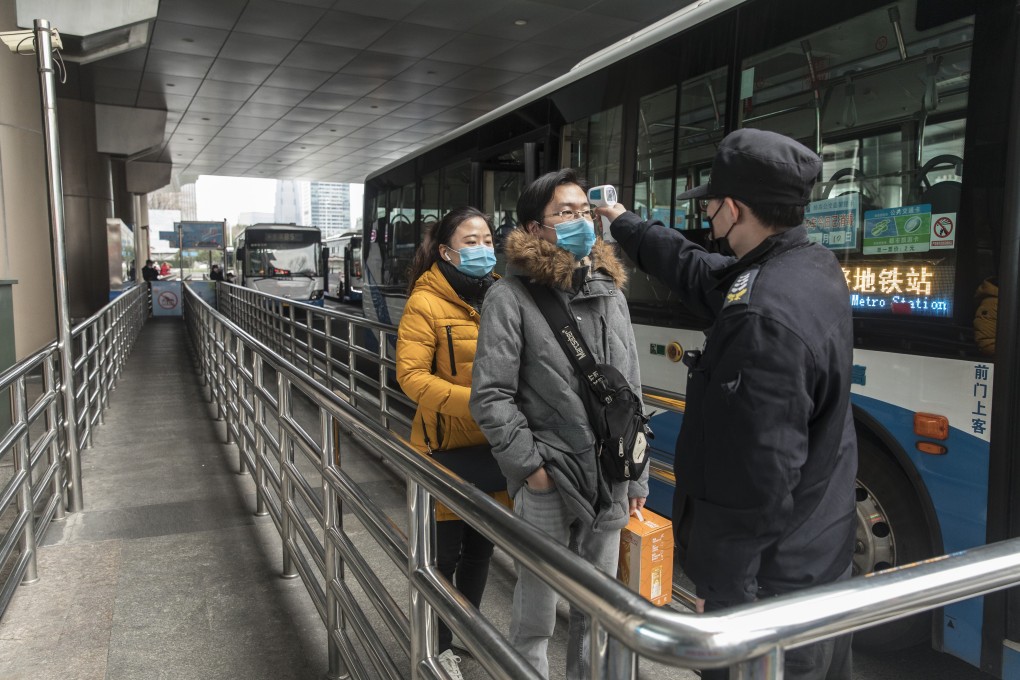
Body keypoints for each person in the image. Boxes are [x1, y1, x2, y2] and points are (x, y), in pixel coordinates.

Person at [600, 128, 857, 680]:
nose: (708, 218)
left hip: (771, 600)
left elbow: (757, 475)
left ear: (733, 209)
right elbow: (699, 271)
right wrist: (625, 224)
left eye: (711, 205)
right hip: (817, 564)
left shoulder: (761, 316)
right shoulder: (808, 267)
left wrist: (729, 595)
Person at [469, 169, 648, 680]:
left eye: (585, 213)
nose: (581, 222)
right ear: (535, 227)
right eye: (565, 214)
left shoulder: (611, 289)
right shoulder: (510, 296)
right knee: (537, 612)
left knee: (598, 609)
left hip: (610, 474)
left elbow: (629, 388)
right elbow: (492, 394)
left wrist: (637, 475)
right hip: (549, 477)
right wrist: (531, 467)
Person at [395, 206, 506, 680]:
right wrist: (478, 403)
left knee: (482, 550)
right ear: (446, 251)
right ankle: (437, 648)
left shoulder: (501, 295)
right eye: (471, 241)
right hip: (445, 451)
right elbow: (411, 377)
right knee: (442, 558)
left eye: (487, 240)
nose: (483, 249)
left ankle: (469, 632)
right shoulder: (425, 303)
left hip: (498, 446)